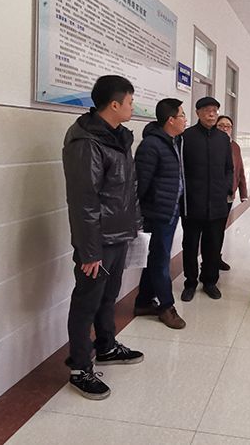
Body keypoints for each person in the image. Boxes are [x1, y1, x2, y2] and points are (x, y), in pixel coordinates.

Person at [62, 75, 144, 400]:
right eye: (130, 102)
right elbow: (84, 202)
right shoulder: (86, 142)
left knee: (109, 296)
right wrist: (89, 251)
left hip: (118, 234)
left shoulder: (118, 137)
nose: (133, 107)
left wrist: (134, 226)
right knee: (86, 302)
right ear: (114, 104)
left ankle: (107, 345)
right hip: (98, 241)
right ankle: (80, 367)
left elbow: (127, 188)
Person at [133, 98, 187, 329]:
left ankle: (143, 302)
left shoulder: (174, 141)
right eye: (182, 115)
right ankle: (166, 306)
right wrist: (139, 216)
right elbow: (140, 185)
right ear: (171, 120)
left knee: (155, 258)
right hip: (156, 214)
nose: (185, 120)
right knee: (160, 261)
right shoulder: (151, 146)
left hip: (170, 211)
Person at [180, 97, 233, 302]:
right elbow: (180, 169)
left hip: (217, 203)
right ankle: (190, 282)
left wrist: (226, 187)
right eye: (207, 110)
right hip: (192, 203)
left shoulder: (223, 139)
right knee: (190, 245)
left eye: (215, 110)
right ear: (198, 113)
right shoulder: (186, 137)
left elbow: (229, 168)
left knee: (213, 245)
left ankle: (210, 281)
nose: (211, 114)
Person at [216, 115, 248, 271]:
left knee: (220, 228)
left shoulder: (235, 146)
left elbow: (239, 169)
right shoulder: (211, 144)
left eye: (227, 126)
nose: (224, 129)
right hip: (213, 194)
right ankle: (208, 261)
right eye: (221, 126)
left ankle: (216, 257)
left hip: (228, 194)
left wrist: (243, 192)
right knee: (211, 230)